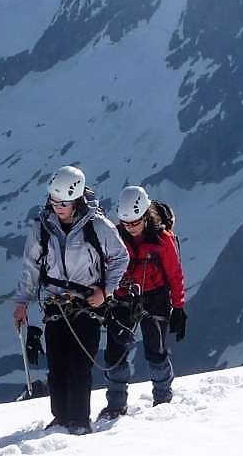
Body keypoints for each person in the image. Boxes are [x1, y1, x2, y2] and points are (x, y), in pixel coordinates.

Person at [12, 165, 127, 434]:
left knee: (79, 363)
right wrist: (21, 303)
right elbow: (31, 266)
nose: (57, 207)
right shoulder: (43, 227)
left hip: (87, 303)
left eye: (62, 203)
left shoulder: (97, 226)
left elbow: (121, 257)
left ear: (76, 199)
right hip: (55, 303)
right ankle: (61, 416)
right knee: (57, 362)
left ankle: (78, 419)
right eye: (53, 201)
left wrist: (106, 291)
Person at [98, 185, 187, 420]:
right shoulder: (116, 237)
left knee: (155, 351)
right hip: (123, 298)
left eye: (135, 223)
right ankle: (116, 405)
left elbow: (175, 274)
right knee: (115, 352)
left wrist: (178, 307)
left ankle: (162, 399)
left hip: (155, 297)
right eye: (127, 224)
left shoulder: (163, 240)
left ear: (146, 216)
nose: (131, 228)